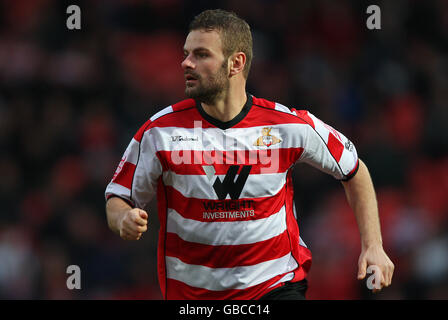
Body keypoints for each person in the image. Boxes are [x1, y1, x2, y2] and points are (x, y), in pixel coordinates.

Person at [105, 9, 394, 300]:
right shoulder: (159, 132)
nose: (186, 63)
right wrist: (123, 219)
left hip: (274, 287)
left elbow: (354, 171)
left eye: (201, 54)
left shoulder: (287, 125)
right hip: (194, 297)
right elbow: (118, 197)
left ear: (236, 63)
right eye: (186, 53)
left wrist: (373, 246)